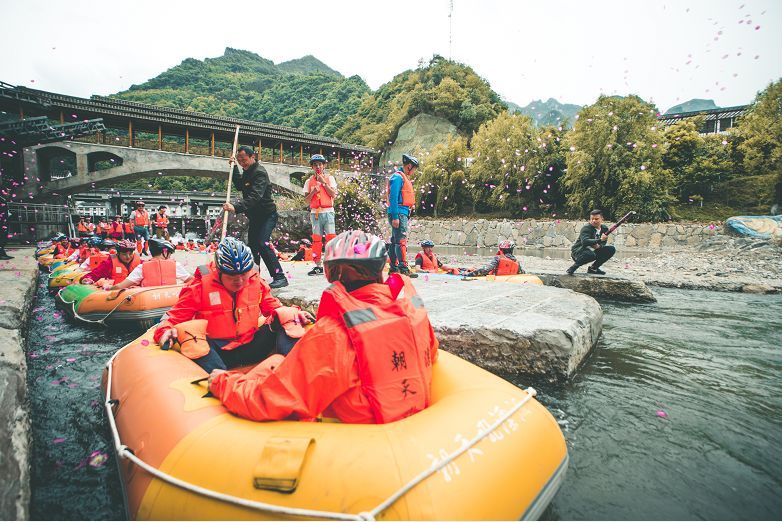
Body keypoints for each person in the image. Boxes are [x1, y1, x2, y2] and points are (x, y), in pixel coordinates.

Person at [208, 230, 439, 424]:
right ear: (380, 270)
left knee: (274, 365)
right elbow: (431, 352)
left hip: (361, 433)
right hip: (408, 418)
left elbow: (266, 401)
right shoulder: (412, 311)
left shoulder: (333, 334)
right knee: (277, 362)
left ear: (334, 273)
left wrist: (222, 382)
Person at [154, 237, 311, 373]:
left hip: (251, 346)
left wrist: (295, 314)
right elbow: (174, 317)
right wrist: (164, 331)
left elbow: (274, 307)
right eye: (232, 276)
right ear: (219, 272)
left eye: (243, 274)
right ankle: (221, 381)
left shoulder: (255, 281)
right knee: (189, 333)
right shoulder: (199, 286)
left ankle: (292, 371)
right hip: (217, 351)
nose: (239, 281)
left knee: (287, 315)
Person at [222, 145, 288, 289]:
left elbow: (255, 197)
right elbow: (240, 185)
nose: (242, 163)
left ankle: (280, 277)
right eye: (239, 160)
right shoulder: (247, 171)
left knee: (262, 243)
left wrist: (235, 207)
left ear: (253, 157)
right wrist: (234, 168)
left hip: (267, 215)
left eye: (244, 160)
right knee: (252, 246)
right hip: (255, 217)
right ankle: (254, 275)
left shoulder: (259, 173)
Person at [109, 238, 192, 290]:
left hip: (148, 301)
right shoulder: (175, 265)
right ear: (165, 252)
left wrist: (108, 290)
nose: (170, 256)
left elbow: (120, 286)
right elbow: (192, 280)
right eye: (169, 253)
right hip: (169, 300)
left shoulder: (141, 267)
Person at [303, 154, 337, 276]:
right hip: (315, 213)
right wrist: (313, 191)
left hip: (328, 212)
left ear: (324, 166)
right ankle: (318, 266)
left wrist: (324, 183)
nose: (318, 167)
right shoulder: (308, 181)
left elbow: (333, 194)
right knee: (316, 239)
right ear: (312, 167)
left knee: (331, 238)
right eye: (315, 165)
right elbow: (306, 200)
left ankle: (331, 265)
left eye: (320, 164)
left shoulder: (330, 178)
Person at [386, 153, 418, 278]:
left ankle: (394, 269)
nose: (414, 171)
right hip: (398, 213)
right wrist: (395, 216)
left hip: (402, 212)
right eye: (414, 168)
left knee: (395, 241)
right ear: (409, 166)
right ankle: (403, 268)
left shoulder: (402, 177)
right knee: (401, 241)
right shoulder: (398, 177)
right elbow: (393, 197)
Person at [567, 209, 616, 275]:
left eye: (596, 219)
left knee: (611, 249)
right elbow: (585, 242)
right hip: (578, 252)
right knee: (590, 254)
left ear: (602, 219)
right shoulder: (586, 228)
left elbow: (603, 243)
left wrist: (599, 246)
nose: (593, 221)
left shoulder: (604, 228)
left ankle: (593, 268)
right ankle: (572, 268)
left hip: (592, 252)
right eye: (592, 219)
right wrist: (600, 240)